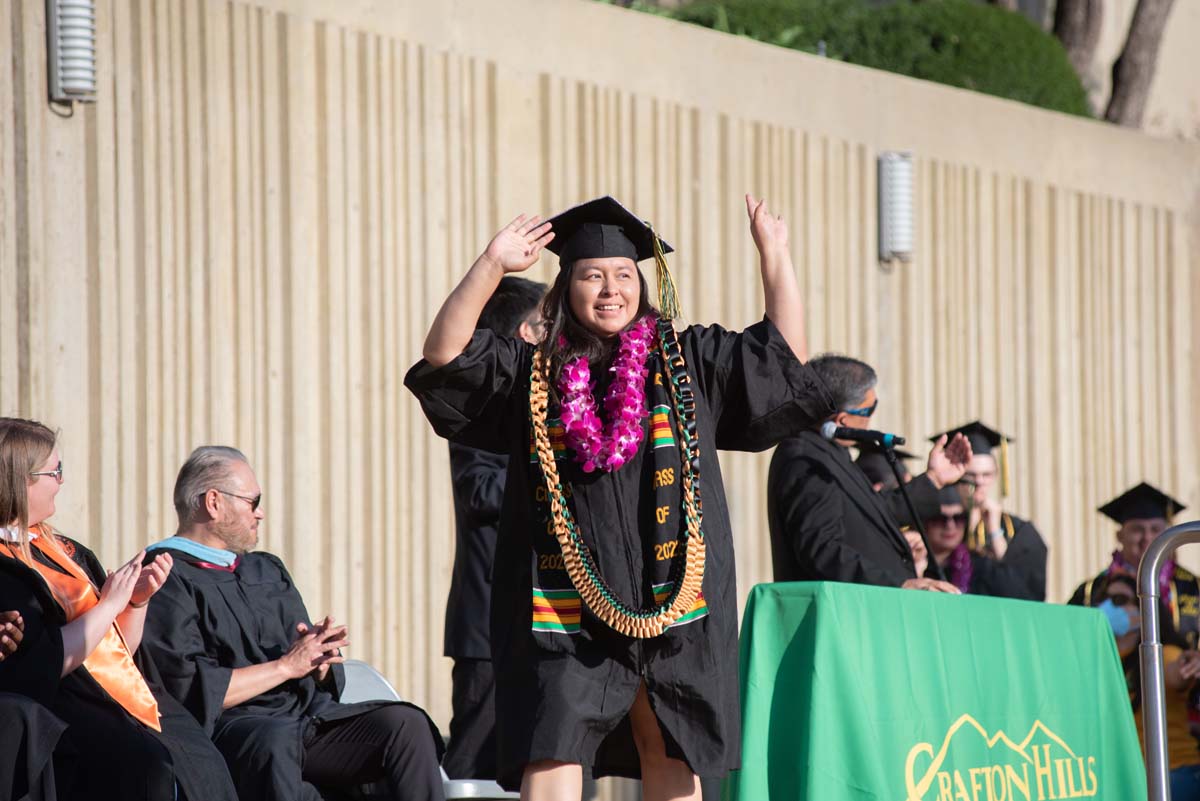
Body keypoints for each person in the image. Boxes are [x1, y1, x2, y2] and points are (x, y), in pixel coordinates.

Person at [406, 194, 836, 800]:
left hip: (675, 603)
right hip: (562, 613)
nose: (611, 289)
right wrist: (491, 265)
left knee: (671, 750)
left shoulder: (689, 363)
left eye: (624, 275)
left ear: (642, 282)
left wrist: (775, 255)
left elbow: (780, 360)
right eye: (592, 275)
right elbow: (445, 355)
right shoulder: (531, 375)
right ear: (565, 288)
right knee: (551, 752)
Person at [140, 446, 445, 801]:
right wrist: (286, 666)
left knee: (405, 725)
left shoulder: (265, 569)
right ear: (213, 503)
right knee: (278, 746)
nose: (261, 513)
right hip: (236, 730)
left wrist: (318, 659)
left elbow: (306, 664)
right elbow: (188, 688)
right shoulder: (163, 577)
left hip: (303, 718)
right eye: (253, 501)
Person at [0, 417, 238, 801]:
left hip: (127, 696)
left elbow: (117, 648)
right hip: (69, 703)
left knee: (202, 760)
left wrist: (135, 601)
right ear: (18, 480)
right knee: (147, 768)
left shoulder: (66, 550)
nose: (61, 480)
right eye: (54, 471)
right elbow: (40, 664)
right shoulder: (5, 568)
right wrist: (109, 604)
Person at [443, 275, 546, 781]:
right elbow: (479, 490)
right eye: (549, 323)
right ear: (526, 333)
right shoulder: (481, 404)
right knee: (474, 760)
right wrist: (549, 470)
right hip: (488, 623)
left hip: (550, 620)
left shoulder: (558, 402)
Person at [767, 354, 970, 591]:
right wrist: (899, 584)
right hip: (841, 617)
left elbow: (874, 513)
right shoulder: (806, 460)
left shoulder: (830, 453)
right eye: (869, 410)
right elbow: (821, 548)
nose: (871, 420)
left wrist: (934, 479)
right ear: (842, 421)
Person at [1068, 482, 1200, 795]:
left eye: (1156, 529)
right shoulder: (1093, 590)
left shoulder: (1192, 588)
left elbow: (1173, 670)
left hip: (1179, 743)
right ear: (1120, 535)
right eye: (1137, 529)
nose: (1146, 539)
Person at [931, 421, 1047, 600]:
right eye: (970, 476)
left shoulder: (1018, 531)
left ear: (995, 475)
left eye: (986, 475)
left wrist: (994, 532)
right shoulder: (940, 524)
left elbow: (1026, 591)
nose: (979, 482)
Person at [922, 485, 1043, 597]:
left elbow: (1019, 596)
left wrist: (994, 531)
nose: (950, 526)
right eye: (940, 519)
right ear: (925, 523)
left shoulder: (980, 566)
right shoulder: (910, 563)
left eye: (958, 518)